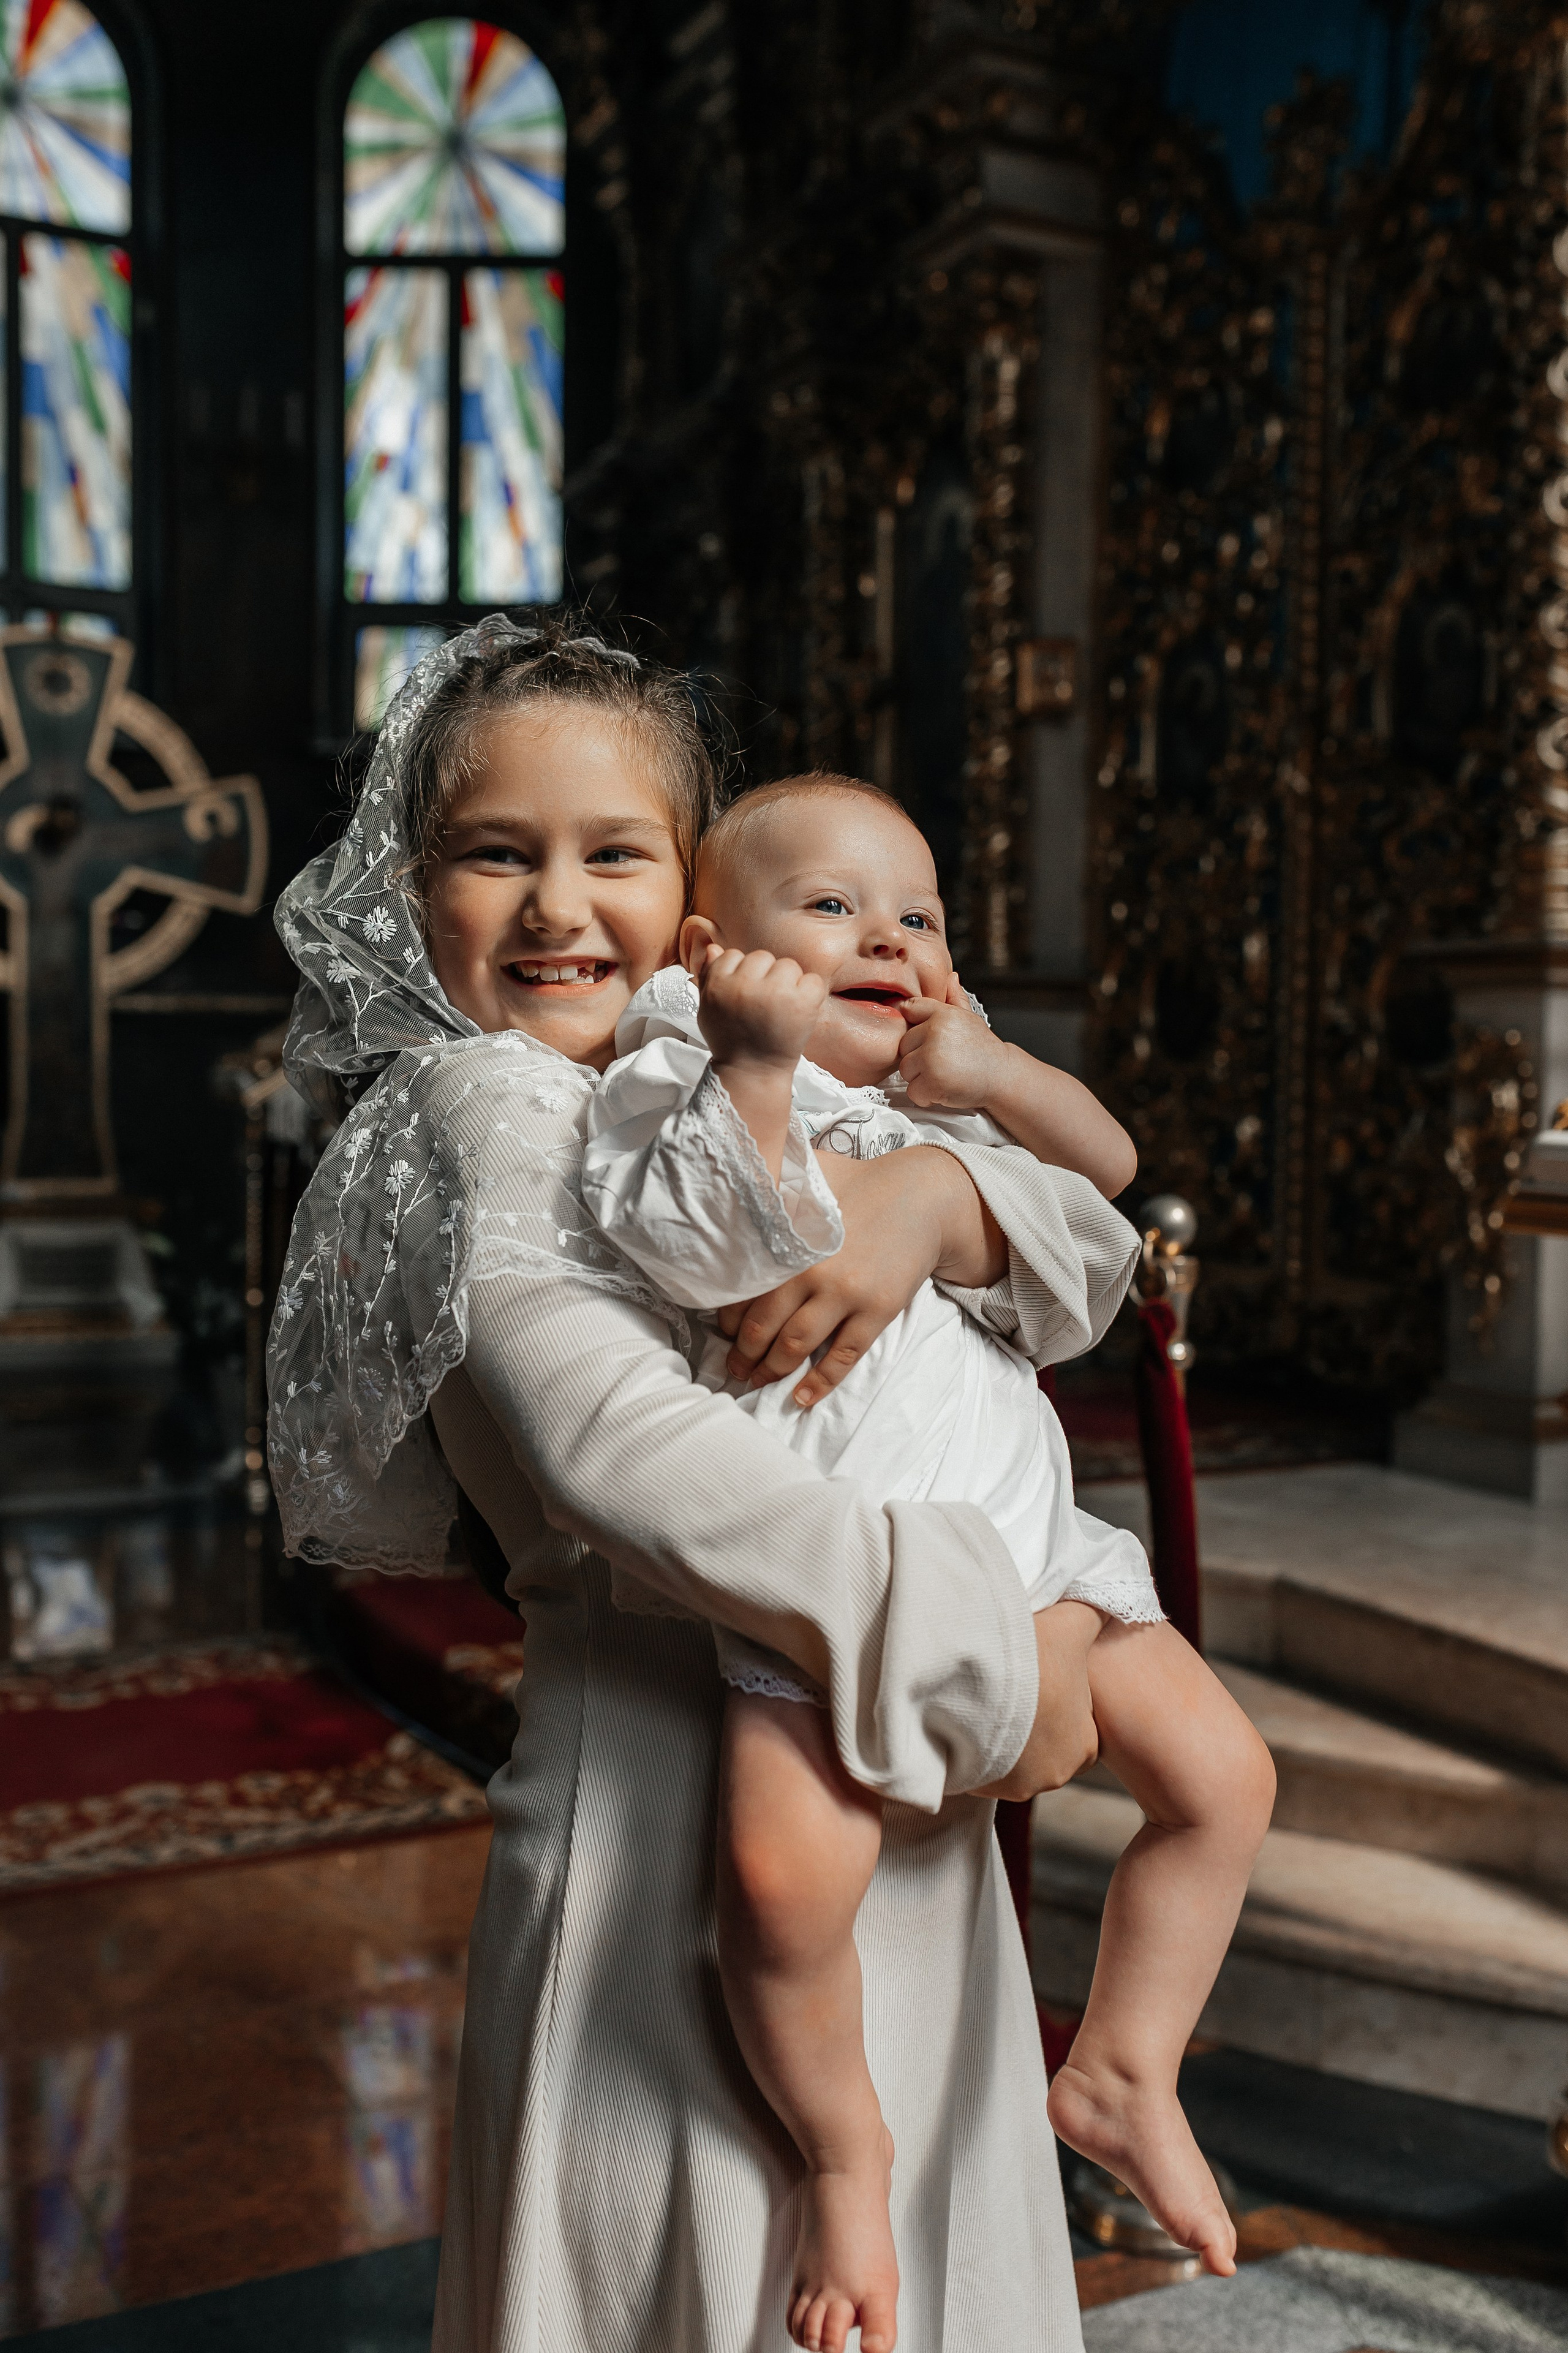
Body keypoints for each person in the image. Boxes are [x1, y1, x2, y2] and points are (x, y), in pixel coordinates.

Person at [265, 613, 1141, 2353]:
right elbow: (623, 1457)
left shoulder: (723, 1077)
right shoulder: (483, 1103)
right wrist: (1002, 1637)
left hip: (879, 1771)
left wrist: (938, 1209)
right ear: (409, 887)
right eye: (492, 855)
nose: (554, 908)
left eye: (613, 853)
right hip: (677, 1825)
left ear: (692, 903)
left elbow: (1088, 1245)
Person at [578, 775, 1275, 2346]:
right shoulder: (675, 1073)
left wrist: (991, 1070)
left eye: (918, 914)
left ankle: (1119, 2066)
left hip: (1040, 1551)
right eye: (829, 908)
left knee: (1225, 1783)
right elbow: (701, 1248)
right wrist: (751, 1064)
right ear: (704, 952)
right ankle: (846, 2153)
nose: (885, 937)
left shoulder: (942, 1101)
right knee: (775, 1889)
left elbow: (1102, 1170)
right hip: (841, 1583)